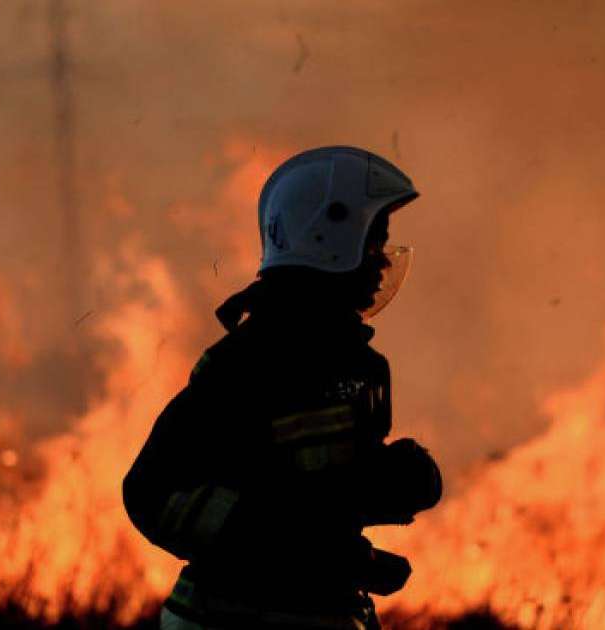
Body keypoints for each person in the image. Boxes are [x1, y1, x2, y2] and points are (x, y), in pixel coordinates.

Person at [122, 146, 443, 630]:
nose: (381, 264)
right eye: (373, 243)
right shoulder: (248, 365)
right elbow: (154, 492)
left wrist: (380, 498)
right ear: (328, 239)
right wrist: (321, 547)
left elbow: (314, 501)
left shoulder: (355, 368)